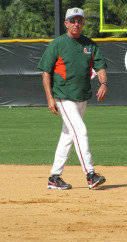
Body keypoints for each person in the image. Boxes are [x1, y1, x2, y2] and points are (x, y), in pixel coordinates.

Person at [38, 7, 108, 190]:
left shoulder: (89, 44)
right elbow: (46, 72)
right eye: (72, 20)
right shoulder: (58, 44)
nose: (76, 24)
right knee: (80, 130)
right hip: (63, 96)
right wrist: (49, 98)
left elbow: (100, 65)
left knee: (68, 136)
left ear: (83, 22)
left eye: (79, 20)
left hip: (81, 96)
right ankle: (90, 175)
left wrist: (104, 83)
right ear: (66, 23)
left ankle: (54, 178)